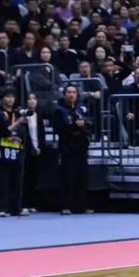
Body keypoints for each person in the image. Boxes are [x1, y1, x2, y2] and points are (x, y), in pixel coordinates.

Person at [53, 85, 92, 215]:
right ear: (64, 94)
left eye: (74, 92)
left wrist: (84, 126)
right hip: (68, 147)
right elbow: (59, 129)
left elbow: (88, 124)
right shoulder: (59, 110)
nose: (71, 95)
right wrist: (75, 125)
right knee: (68, 177)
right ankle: (65, 206)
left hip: (81, 147)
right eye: (69, 92)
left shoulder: (80, 108)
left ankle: (81, 206)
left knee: (82, 177)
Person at [0, 88, 27, 217]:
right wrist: (17, 124)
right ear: (2, 99)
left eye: (12, 97)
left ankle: (15, 208)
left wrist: (18, 135)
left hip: (16, 150)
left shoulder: (17, 114)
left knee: (16, 181)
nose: (10, 99)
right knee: (3, 180)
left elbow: (22, 131)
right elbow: (4, 131)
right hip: (2, 150)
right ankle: (1, 208)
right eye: (7, 97)